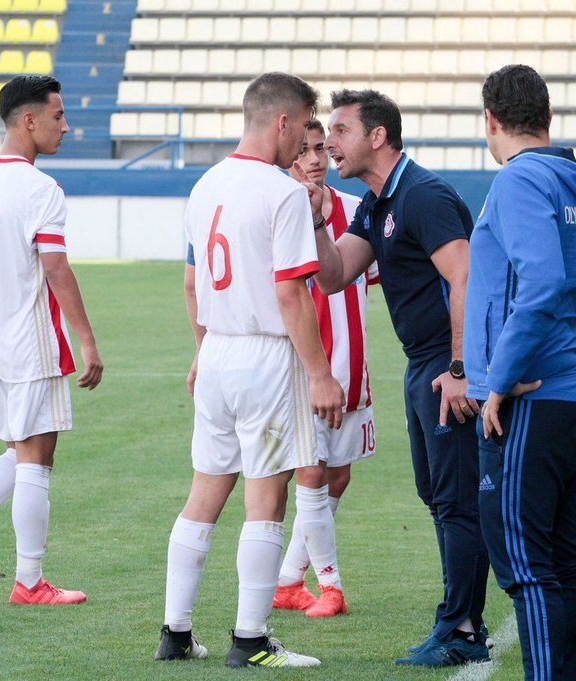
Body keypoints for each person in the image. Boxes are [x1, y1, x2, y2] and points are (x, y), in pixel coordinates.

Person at [155, 72, 344, 669]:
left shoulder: (205, 184)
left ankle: (175, 632)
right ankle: (251, 640)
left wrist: (201, 348)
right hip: (265, 356)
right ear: (283, 122)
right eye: (303, 126)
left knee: (204, 493)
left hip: (216, 351)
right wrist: (320, 373)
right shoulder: (281, 194)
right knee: (267, 498)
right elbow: (291, 294)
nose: (305, 143)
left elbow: (192, 283)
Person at [302, 88, 491, 667]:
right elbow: (334, 276)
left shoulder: (422, 195)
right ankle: (463, 621)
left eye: (340, 131)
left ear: (377, 136)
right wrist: (316, 222)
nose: (329, 144)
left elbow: (465, 278)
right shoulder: (378, 202)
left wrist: (460, 369)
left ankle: (462, 629)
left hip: (445, 364)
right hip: (421, 363)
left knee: (456, 500)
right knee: (438, 496)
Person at [465, 64, 576, 681]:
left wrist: (500, 379)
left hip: (530, 402)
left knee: (527, 564)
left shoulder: (518, 181)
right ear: (548, 117)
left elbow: (541, 282)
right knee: (565, 560)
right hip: (573, 395)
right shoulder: (573, 182)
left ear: (490, 119)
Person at [0, 75, 104, 605]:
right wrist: (87, 341)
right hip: (28, 339)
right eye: (58, 116)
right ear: (29, 120)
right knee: (37, 457)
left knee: (18, 448)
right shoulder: (39, 189)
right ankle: (29, 580)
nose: (65, 126)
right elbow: (56, 268)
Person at [269, 119, 379, 618]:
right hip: (302, 369)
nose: (314, 159)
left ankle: (288, 581)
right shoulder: (277, 209)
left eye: (320, 149)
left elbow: (369, 281)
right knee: (310, 474)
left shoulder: (356, 211)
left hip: (350, 367)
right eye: (303, 150)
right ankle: (331, 586)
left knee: (337, 478)